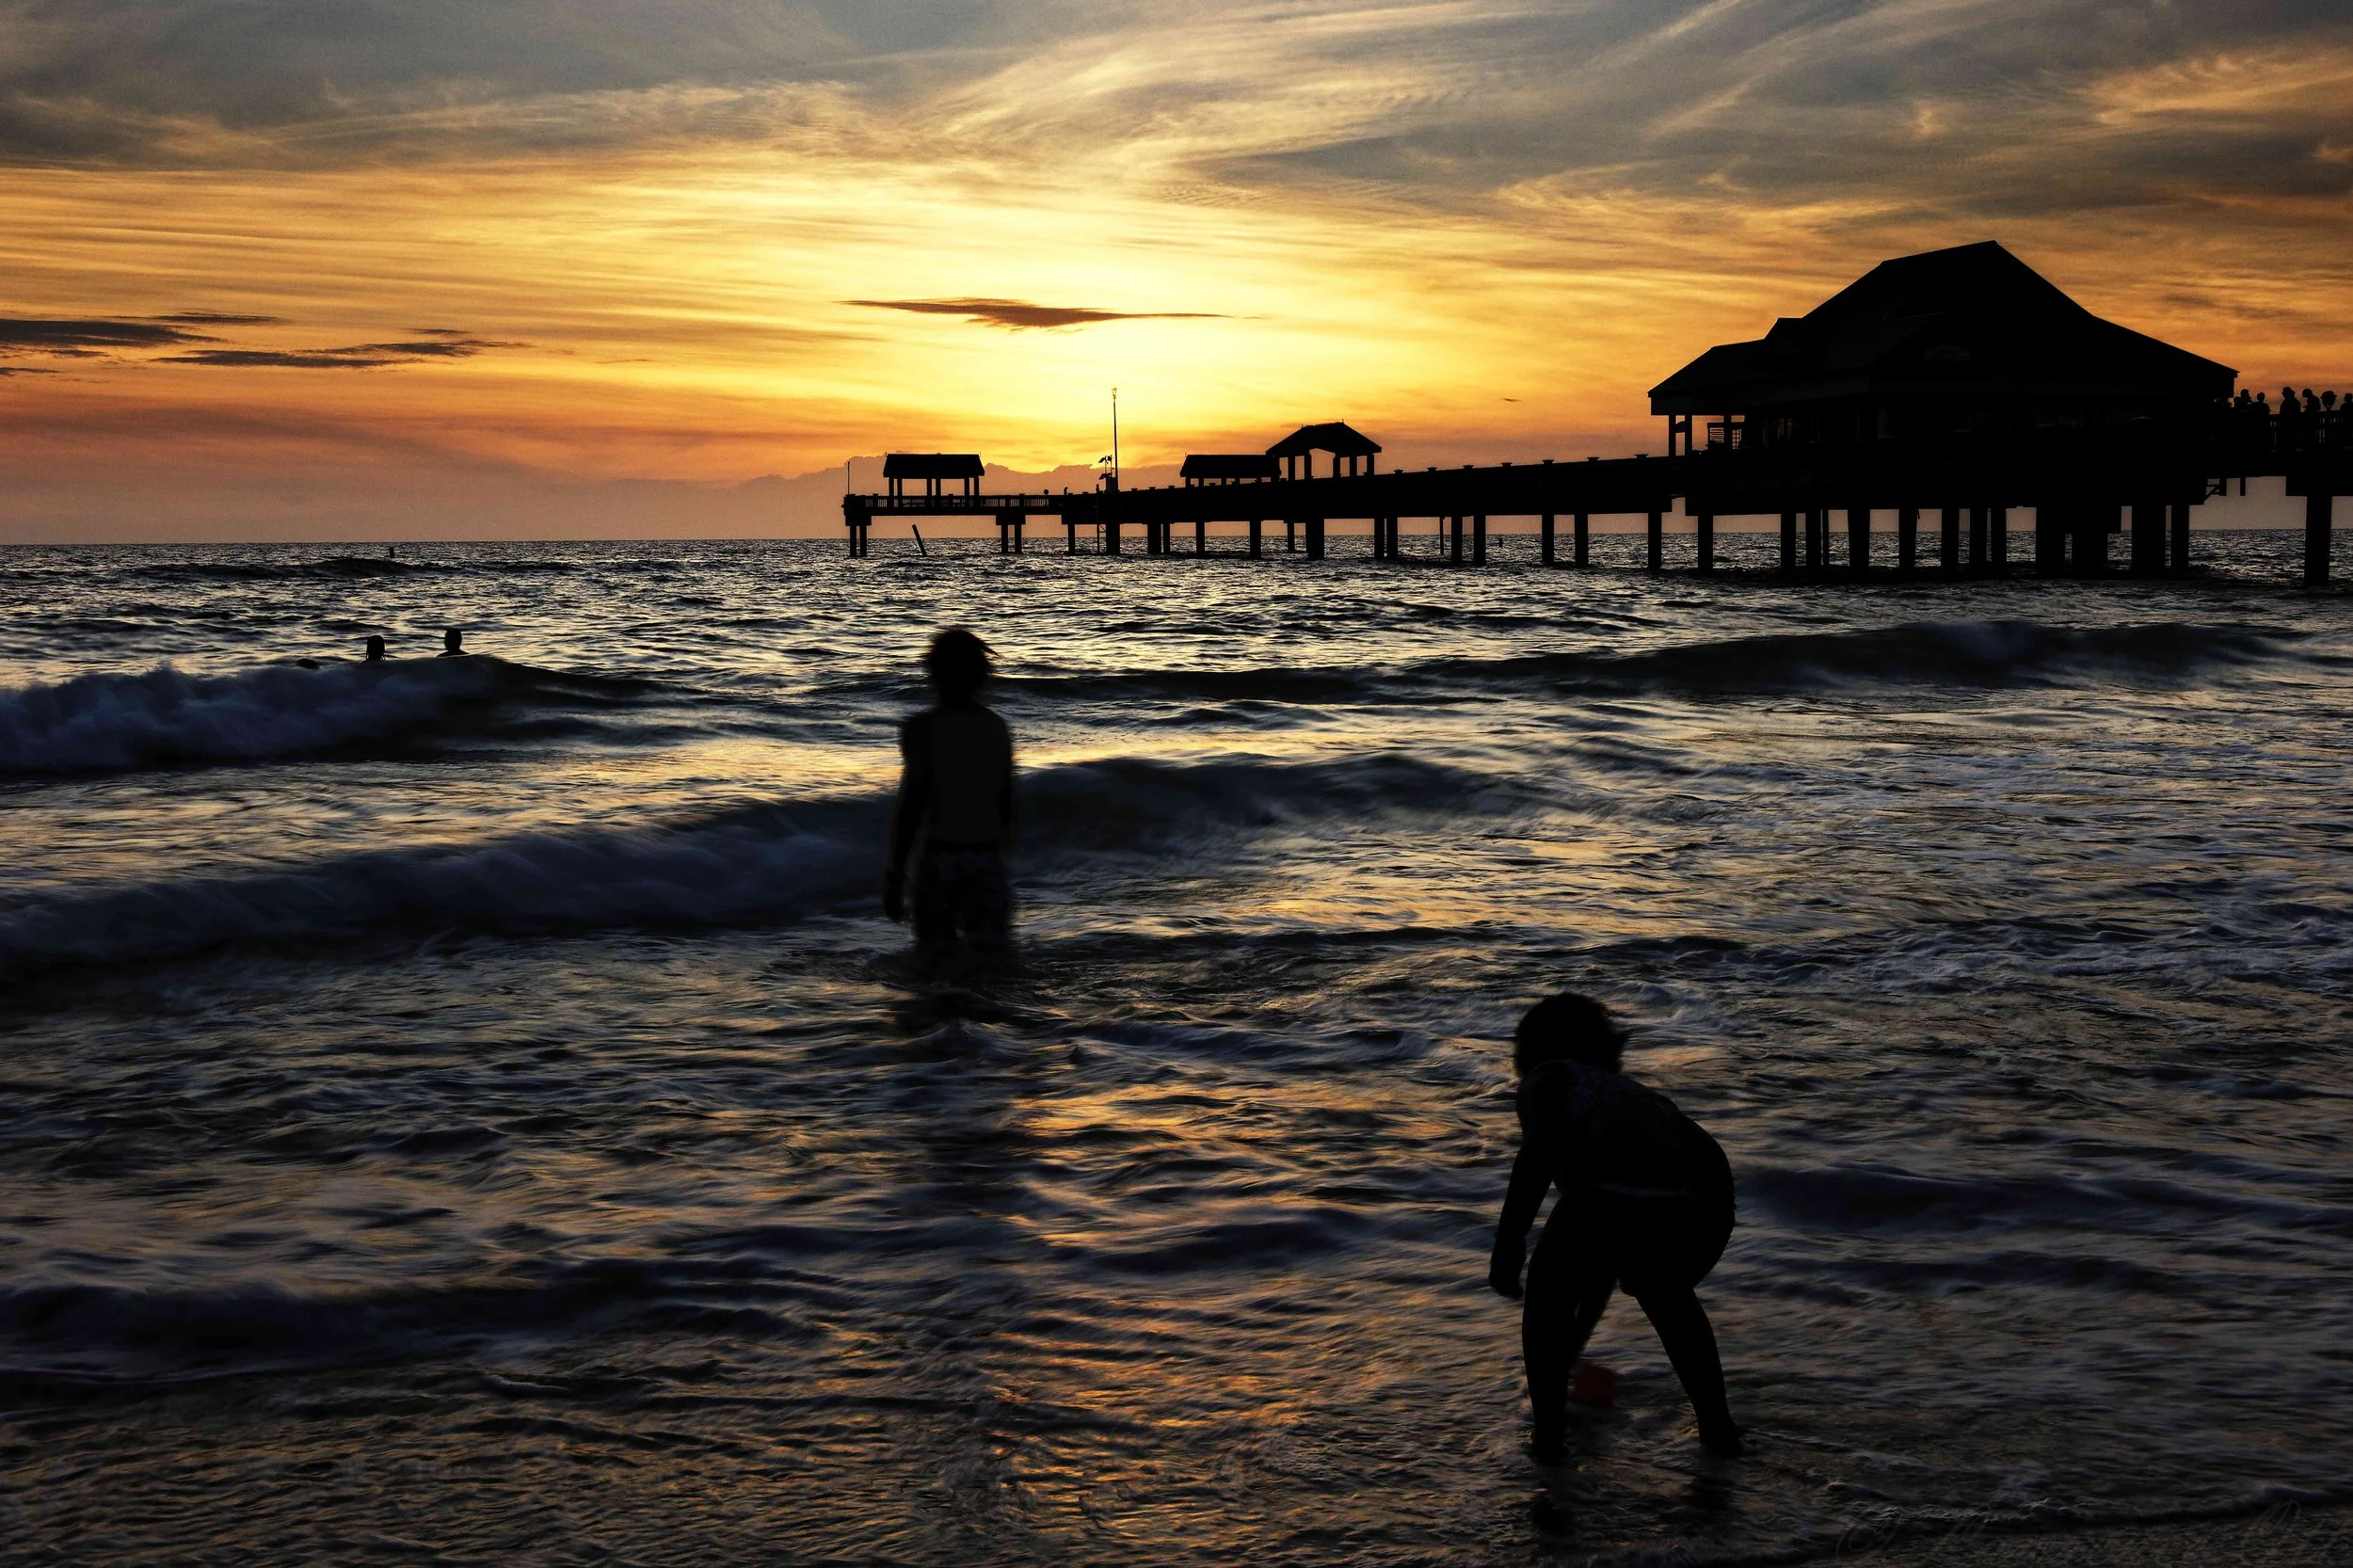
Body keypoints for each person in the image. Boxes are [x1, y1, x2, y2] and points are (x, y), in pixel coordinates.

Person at [1489, 992, 1742, 1459]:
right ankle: (1717, 1427)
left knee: (1548, 1286)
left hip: (1649, 1193)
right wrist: (1574, 1346)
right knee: (1662, 1292)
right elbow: (1604, 1257)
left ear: (1535, 1051)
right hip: (1706, 1204)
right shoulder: (1620, 1096)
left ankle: (1548, 1438)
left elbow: (1536, 1159)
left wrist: (1508, 1243)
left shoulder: (1550, 1078)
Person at [883, 628, 1016, 968]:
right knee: (992, 962)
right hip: (986, 859)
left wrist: (896, 874)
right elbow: (1006, 803)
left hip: (939, 860)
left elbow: (912, 805)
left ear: (933, 672)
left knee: (934, 961)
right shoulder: (995, 728)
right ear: (982, 675)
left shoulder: (921, 728)